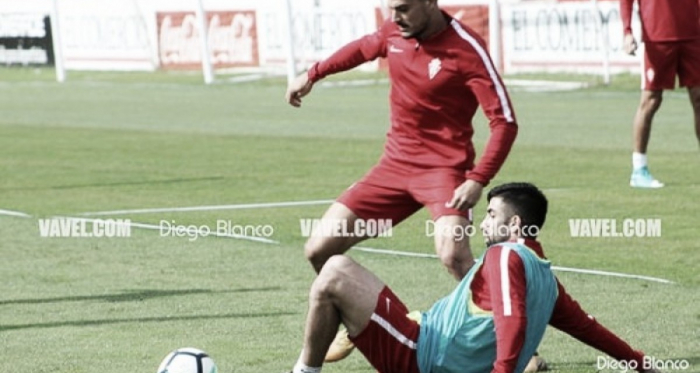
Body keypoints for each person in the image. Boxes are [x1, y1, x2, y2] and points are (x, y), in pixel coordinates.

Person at [286, 182, 661, 373]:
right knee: (342, 272)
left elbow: (511, 323)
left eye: (491, 214)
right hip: (428, 337)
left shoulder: (504, 255)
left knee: (333, 271)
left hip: (421, 356)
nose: (482, 223)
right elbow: (590, 329)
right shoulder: (546, 278)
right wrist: (642, 364)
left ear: (514, 224)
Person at [285, 0, 518, 281]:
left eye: (404, 8)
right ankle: (367, 320)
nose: (395, 17)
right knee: (318, 249)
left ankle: (503, 318)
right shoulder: (393, 31)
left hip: (444, 173)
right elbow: (361, 48)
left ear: (430, 3)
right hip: (393, 168)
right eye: (391, 8)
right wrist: (313, 74)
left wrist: (478, 179)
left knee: (454, 256)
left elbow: (504, 122)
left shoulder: (467, 48)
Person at [620, 0, 700, 188]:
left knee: (698, 98)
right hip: (658, 35)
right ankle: (639, 170)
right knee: (651, 100)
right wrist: (627, 31)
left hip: (693, 33)